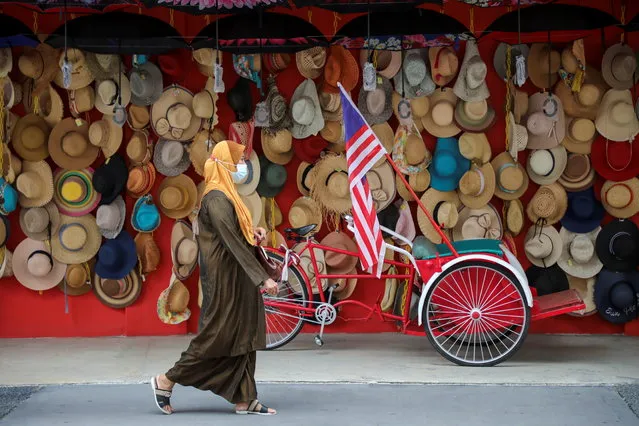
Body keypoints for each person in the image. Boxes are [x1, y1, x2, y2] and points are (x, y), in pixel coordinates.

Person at [151, 140, 279, 416]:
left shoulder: (227, 194)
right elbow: (231, 242)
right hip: (225, 279)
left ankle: (246, 398)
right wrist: (262, 278)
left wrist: (255, 232)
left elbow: (238, 234)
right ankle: (167, 379)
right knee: (215, 336)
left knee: (244, 332)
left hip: (237, 276)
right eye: (237, 161)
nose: (241, 167)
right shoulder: (216, 198)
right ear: (224, 164)